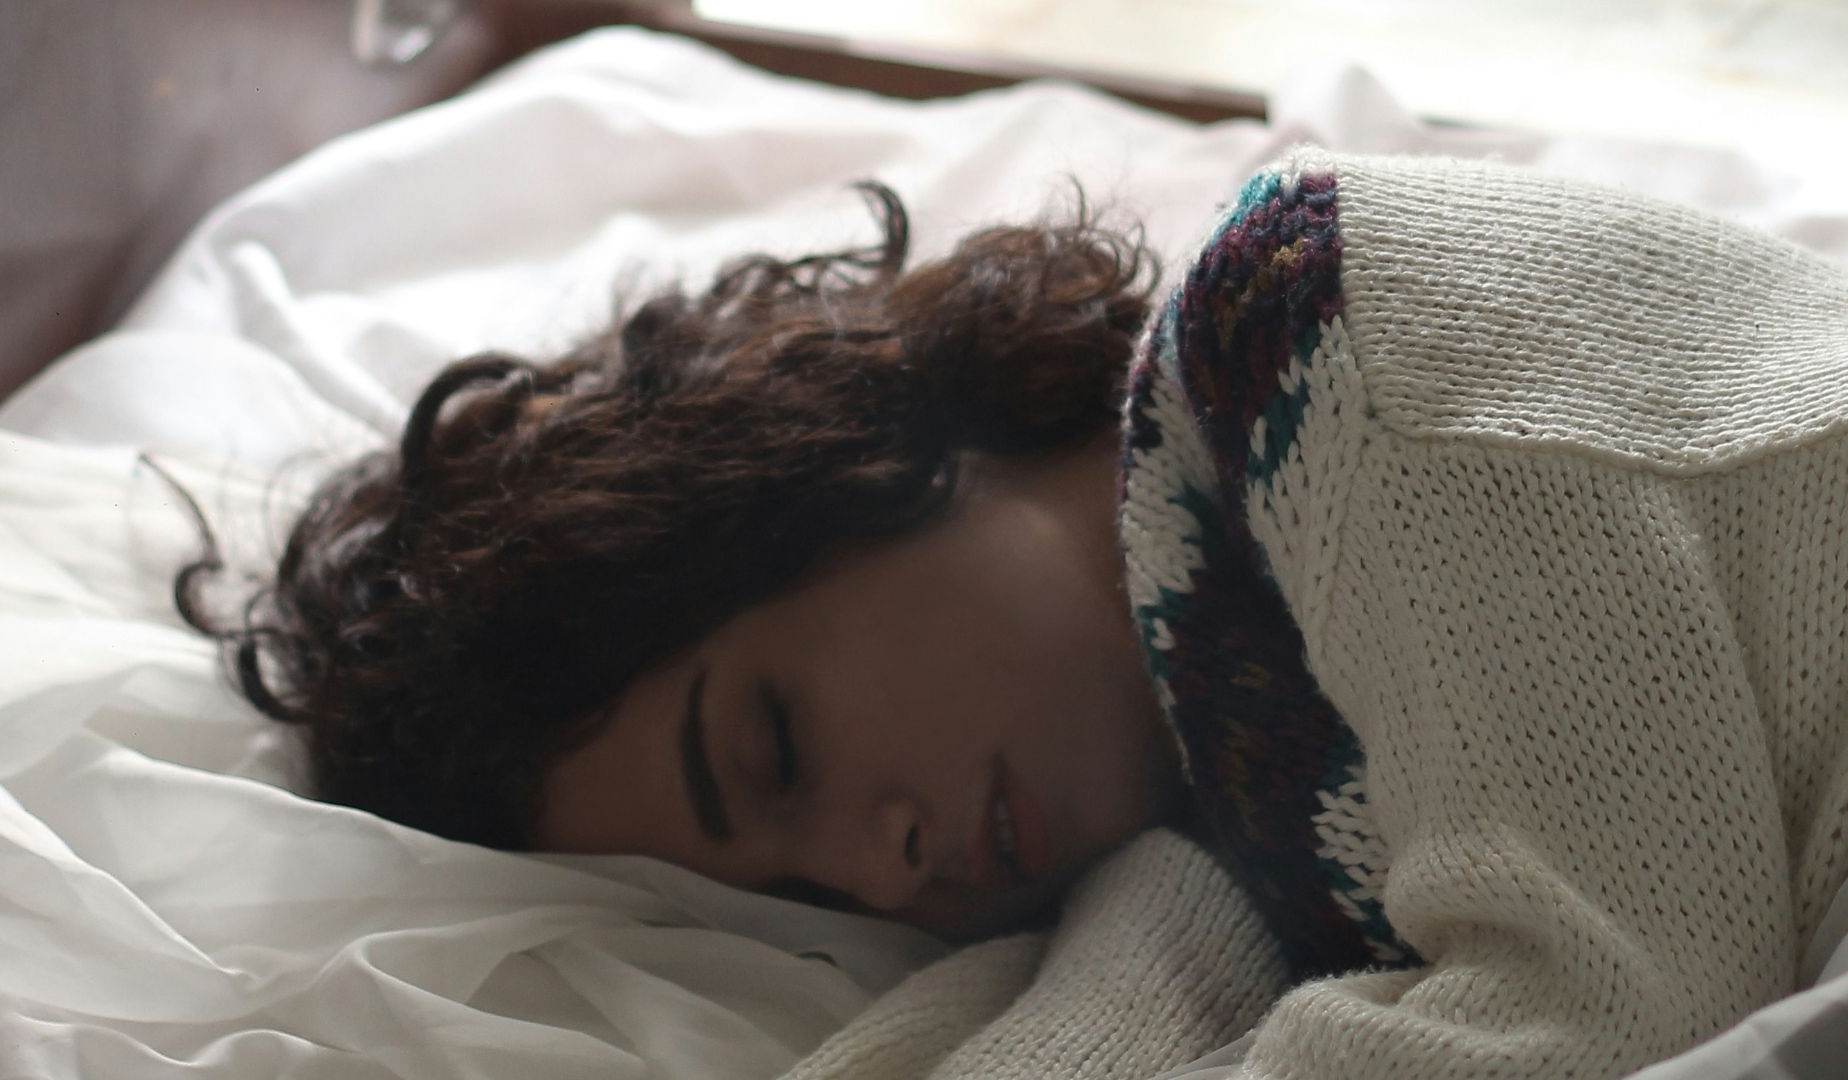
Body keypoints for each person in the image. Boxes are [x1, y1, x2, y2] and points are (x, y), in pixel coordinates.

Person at [180, 149, 1848, 1080]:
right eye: (807, 890)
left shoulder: (1308, 332)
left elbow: (1612, 1011)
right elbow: (1137, 987)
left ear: (832, 463)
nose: (886, 866)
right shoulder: (1215, 730)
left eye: (774, 748)